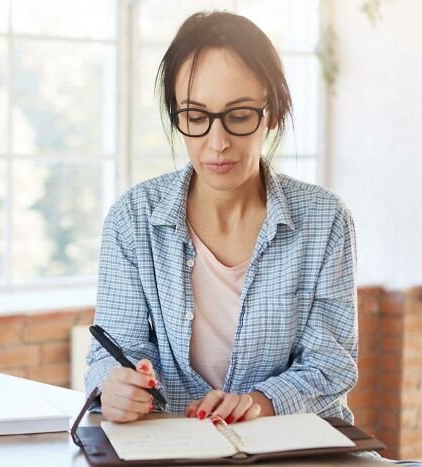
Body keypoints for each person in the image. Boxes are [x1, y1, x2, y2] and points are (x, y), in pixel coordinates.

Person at [85, 11, 359, 427]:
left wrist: (261, 403)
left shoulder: (326, 221)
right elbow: (111, 352)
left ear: (274, 112)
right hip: (173, 447)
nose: (217, 143)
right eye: (196, 117)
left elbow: (330, 366)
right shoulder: (133, 218)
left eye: (239, 115)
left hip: (292, 447)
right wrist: (112, 388)